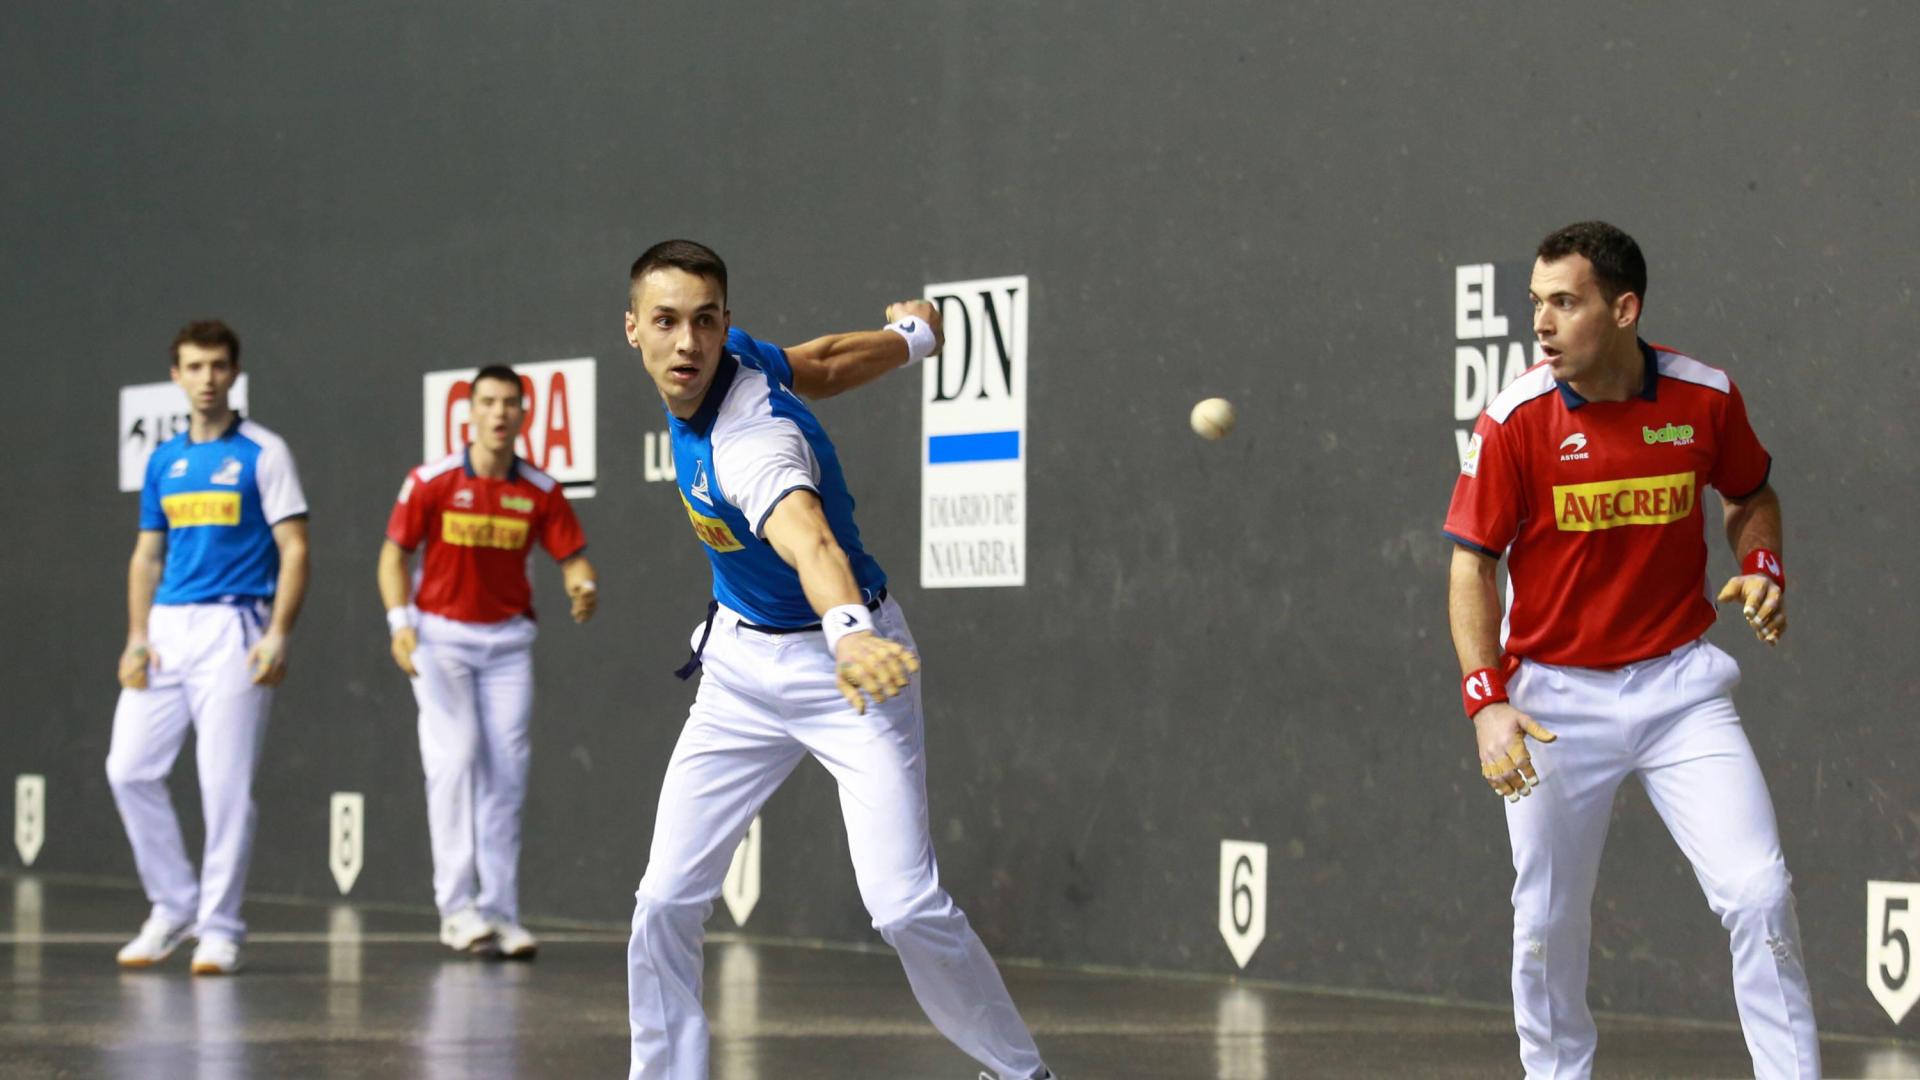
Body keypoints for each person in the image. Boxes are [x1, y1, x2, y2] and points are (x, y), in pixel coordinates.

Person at [621, 240, 1055, 1080]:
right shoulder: (737, 359)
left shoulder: (751, 444)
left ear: (723, 327)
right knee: (666, 899)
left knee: (903, 905)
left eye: (705, 324)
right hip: (739, 675)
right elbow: (817, 363)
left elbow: (810, 536)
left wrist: (851, 630)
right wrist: (915, 341)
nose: (688, 344)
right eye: (668, 322)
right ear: (631, 328)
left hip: (849, 670)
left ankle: (1018, 1073)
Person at [1443, 221, 1819, 1078]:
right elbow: (1473, 565)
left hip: (1680, 688)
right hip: (1551, 702)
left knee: (1759, 893)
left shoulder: (1705, 397)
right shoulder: (1514, 419)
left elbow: (1751, 490)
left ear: (1624, 308)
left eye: (1564, 303)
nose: (1540, 323)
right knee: (1545, 922)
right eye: (1535, 303)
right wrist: (1486, 699)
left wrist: (1762, 566)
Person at [108, 319, 310, 976]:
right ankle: (173, 907)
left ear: (234, 373)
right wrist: (138, 637)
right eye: (193, 367)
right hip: (167, 629)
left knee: (224, 786)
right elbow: (146, 555)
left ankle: (220, 925)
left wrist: (277, 633)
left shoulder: (263, 452)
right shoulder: (164, 460)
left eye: (218, 366)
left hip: (235, 628)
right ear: (176, 375)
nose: (206, 378)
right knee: (128, 768)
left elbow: (295, 548)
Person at [378, 364, 598, 959]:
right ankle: (456, 910)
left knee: (506, 774)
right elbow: (393, 557)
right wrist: (401, 625)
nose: (499, 414)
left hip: (507, 647)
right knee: (454, 760)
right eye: (489, 403)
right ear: (469, 412)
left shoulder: (541, 491)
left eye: (510, 404)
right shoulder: (431, 480)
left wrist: (581, 587)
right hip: (440, 639)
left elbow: (573, 558)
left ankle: (500, 912)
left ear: (524, 415)